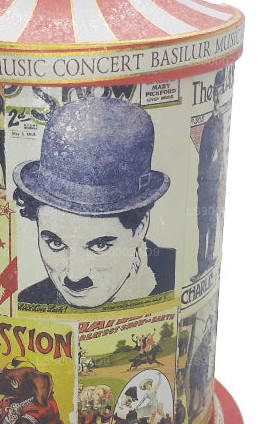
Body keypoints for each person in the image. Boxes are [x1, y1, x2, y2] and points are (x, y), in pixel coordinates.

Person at [13, 97, 175, 309]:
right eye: (56, 244)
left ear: (140, 228)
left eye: (99, 246)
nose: (75, 275)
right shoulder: (30, 299)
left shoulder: (175, 274)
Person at [195, 67, 232, 278]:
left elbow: (221, 154)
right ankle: (202, 264)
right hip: (205, 184)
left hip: (214, 183)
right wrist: (203, 178)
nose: (217, 98)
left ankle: (208, 261)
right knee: (203, 226)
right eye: (215, 94)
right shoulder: (210, 124)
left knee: (211, 224)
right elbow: (204, 155)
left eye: (220, 93)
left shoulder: (218, 123)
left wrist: (216, 173)